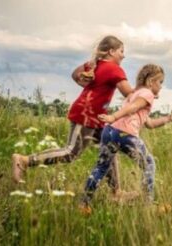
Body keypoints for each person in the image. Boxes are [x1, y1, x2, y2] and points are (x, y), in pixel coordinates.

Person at [12, 35, 134, 198]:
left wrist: (85, 83)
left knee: (110, 149)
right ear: (111, 51)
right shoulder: (114, 69)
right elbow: (129, 94)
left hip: (98, 118)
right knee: (71, 152)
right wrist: (147, 93)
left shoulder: (94, 65)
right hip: (85, 115)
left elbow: (74, 74)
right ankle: (25, 160)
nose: (123, 55)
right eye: (121, 51)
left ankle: (116, 192)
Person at [80, 64, 172, 211]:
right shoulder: (147, 94)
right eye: (160, 82)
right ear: (150, 81)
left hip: (109, 131)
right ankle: (148, 205)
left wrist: (169, 118)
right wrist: (113, 116)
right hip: (124, 133)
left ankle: (84, 204)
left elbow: (150, 124)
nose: (161, 87)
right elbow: (133, 107)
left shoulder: (135, 94)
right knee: (149, 163)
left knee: (101, 167)